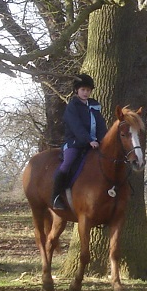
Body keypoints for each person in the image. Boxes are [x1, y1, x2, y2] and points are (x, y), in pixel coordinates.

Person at [52, 73, 108, 210]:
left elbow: (101, 125)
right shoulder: (72, 106)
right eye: (83, 90)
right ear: (77, 90)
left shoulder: (94, 106)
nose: (85, 93)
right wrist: (89, 140)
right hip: (75, 143)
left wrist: (104, 140)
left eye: (88, 90)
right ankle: (56, 196)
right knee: (68, 162)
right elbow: (76, 126)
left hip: (94, 144)